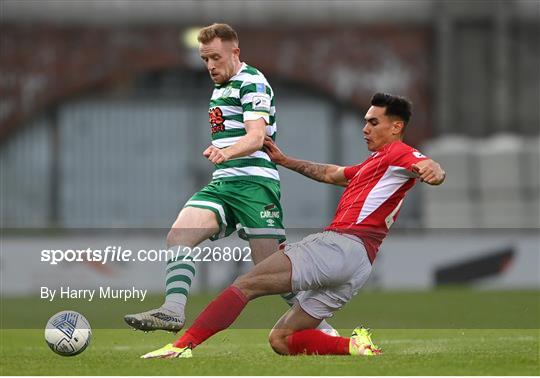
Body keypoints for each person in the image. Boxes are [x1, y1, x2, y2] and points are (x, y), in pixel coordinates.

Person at [140, 92, 446, 359]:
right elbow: (331, 174)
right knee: (282, 340)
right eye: (365, 121)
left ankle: (181, 346)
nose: (365, 128)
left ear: (397, 127)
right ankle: (354, 346)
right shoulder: (376, 163)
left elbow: (425, 164)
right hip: (360, 264)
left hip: (340, 245)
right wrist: (285, 161)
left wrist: (433, 171)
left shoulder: (398, 153)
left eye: (373, 122)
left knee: (245, 286)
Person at [124, 23, 336, 336]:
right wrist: (224, 157)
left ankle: (328, 331)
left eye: (215, 57)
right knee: (178, 236)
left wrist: (227, 152)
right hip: (224, 184)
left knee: (272, 272)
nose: (210, 65)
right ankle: (172, 311)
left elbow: (256, 136)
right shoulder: (221, 85)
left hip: (255, 186)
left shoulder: (252, 81)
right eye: (205, 59)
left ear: (234, 52)